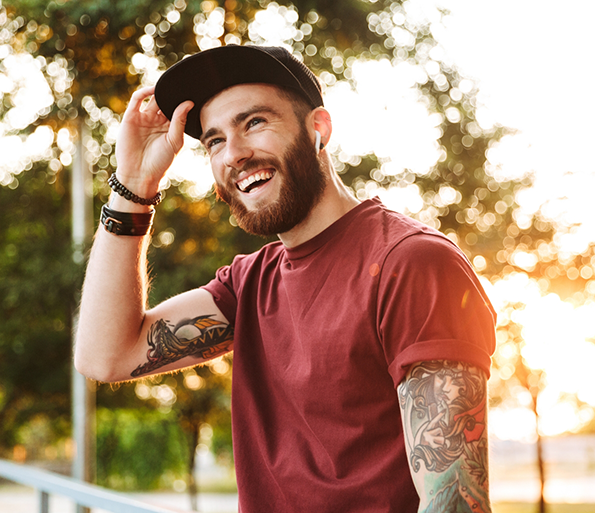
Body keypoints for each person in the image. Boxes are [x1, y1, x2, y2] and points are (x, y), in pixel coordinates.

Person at [75, 45, 496, 513]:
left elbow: (454, 503)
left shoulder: (411, 263)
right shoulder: (250, 283)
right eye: (214, 141)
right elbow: (105, 356)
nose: (234, 153)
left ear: (318, 129)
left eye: (254, 122)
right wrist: (133, 185)